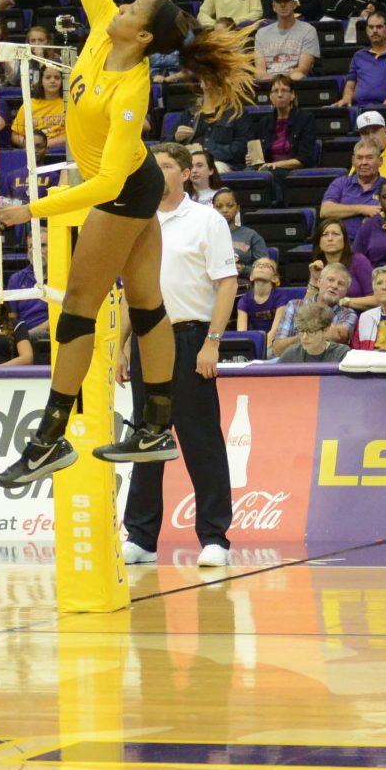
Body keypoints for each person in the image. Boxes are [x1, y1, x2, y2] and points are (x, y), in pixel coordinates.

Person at [0, 0, 256, 485]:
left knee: (79, 308)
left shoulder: (131, 87)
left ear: (141, 39)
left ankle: (49, 439)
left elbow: (109, 178)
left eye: (134, 11)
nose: (124, 7)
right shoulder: (102, 30)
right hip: (125, 185)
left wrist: (29, 211)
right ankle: (155, 426)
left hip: (123, 188)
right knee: (146, 307)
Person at [119, 145, 238, 569]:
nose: (157, 171)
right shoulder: (138, 219)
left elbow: (226, 283)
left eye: (165, 165)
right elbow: (132, 289)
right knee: (146, 441)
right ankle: (141, 537)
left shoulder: (207, 220)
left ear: (186, 173)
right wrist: (120, 344)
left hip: (191, 338)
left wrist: (213, 340)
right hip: (147, 338)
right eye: (153, 165)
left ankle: (214, 537)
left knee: (201, 441)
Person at [245, 75, 316, 192]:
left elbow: (305, 159)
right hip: (268, 169)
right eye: (275, 91)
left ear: (292, 95)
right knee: (247, 173)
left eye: (284, 90)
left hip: (290, 170)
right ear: (270, 97)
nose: (279, 95)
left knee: (270, 174)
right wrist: (253, 158)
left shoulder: (305, 119)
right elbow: (259, 155)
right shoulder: (264, 122)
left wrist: (277, 165)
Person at [268, 263, 356, 356]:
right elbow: (278, 349)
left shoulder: (348, 314)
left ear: (346, 291)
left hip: (326, 365)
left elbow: (337, 337)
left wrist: (302, 335)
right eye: (330, 280)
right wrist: (308, 336)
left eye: (341, 283)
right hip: (293, 364)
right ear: (319, 282)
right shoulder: (294, 306)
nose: (334, 286)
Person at [172, 81, 249, 169]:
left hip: (220, 163)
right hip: (189, 161)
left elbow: (240, 148)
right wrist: (176, 138)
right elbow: (165, 145)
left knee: (214, 167)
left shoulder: (236, 113)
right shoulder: (190, 112)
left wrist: (205, 153)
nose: (206, 78)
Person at [320, 139, 385, 240]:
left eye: (369, 158)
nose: (364, 162)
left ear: (380, 161)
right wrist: (362, 209)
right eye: (359, 158)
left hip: (378, 243)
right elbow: (325, 210)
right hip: (344, 246)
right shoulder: (341, 183)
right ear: (353, 161)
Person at [253, 0, 319, 80]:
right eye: (279, 1)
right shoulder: (261, 33)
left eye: (287, 0)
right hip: (269, 82)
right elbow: (260, 71)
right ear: (273, 7)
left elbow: (303, 69)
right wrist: (275, 82)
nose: (283, 4)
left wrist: (281, 82)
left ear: (295, 4)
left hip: (294, 82)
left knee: (298, 75)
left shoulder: (308, 30)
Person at [309, 217, 374, 306]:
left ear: (344, 240)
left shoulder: (358, 261)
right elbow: (308, 306)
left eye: (335, 234)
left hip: (356, 316)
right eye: (325, 235)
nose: (330, 238)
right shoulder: (318, 266)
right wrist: (314, 279)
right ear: (319, 242)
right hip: (323, 318)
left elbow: (377, 299)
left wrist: (344, 301)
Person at [334, 10, 386, 109]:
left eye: (379, 27)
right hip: (359, 108)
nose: (374, 30)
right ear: (367, 31)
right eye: (371, 27)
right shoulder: (359, 56)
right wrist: (346, 97)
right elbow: (350, 84)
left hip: (384, 108)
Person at [212, 187, 268, 279]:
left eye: (230, 205)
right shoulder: (204, 235)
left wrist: (244, 269)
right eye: (219, 206)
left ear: (238, 208)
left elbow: (266, 270)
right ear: (213, 209)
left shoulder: (251, 236)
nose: (225, 210)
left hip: (244, 287)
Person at [10, 65, 66, 150]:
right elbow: (15, 135)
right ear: (41, 81)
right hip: (33, 153)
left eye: (57, 78)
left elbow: (75, 135)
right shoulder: (29, 105)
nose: (52, 81)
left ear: (62, 81)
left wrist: (45, 144)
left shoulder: (69, 104)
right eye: (48, 77)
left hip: (62, 153)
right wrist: (29, 144)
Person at [275, 302, 350, 363]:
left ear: (325, 330)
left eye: (311, 332)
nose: (304, 337)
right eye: (301, 331)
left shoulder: (341, 354)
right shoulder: (290, 355)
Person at [236, 256, 286, 332]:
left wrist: (266, 343)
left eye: (266, 266)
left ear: (275, 278)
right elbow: (242, 333)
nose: (261, 266)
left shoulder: (280, 297)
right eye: (256, 265)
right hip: (254, 340)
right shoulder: (244, 301)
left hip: (275, 340)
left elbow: (275, 330)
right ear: (251, 276)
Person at [354, 178, 386, 269]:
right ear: (379, 200)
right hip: (376, 280)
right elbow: (357, 263)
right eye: (385, 197)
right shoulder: (369, 226)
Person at [352, 265, 386, 350]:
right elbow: (356, 351)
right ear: (374, 291)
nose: (384, 287)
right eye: (379, 283)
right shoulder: (365, 317)